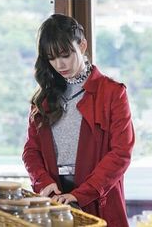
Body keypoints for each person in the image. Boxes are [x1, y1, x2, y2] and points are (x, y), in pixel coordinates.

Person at [22, 14, 135, 227]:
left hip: (99, 197)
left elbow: (121, 153)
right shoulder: (44, 97)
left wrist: (81, 194)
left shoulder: (112, 92)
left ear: (82, 46)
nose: (59, 64)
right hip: (54, 200)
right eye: (52, 58)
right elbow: (31, 150)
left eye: (65, 55)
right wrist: (43, 183)